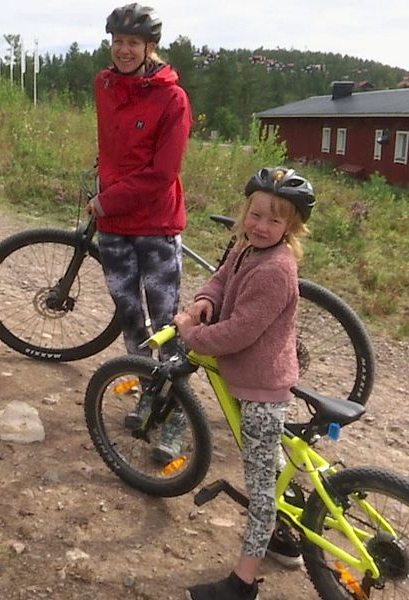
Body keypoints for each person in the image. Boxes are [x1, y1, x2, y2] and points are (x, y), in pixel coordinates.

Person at [174, 167, 316, 600]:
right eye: (255, 214)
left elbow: (238, 333)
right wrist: (203, 300)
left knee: (260, 493)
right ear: (245, 212)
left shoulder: (276, 269)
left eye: (274, 220)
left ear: (291, 227)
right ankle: (288, 537)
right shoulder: (246, 247)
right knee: (271, 464)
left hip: (261, 389)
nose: (260, 225)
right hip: (252, 378)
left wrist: (192, 334)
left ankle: (243, 583)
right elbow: (221, 279)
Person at [87, 3, 192, 461]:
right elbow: (112, 149)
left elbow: (162, 173)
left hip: (155, 226)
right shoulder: (104, 85)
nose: (124, 50)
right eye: (118, 41)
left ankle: (178, 417)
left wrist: (108, 198)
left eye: (133, 42)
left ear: (151, 47)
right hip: (113, 227)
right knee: (132, 322)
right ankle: (150, 394)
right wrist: (100, 185)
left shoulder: (173, 99)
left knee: (166, 327)